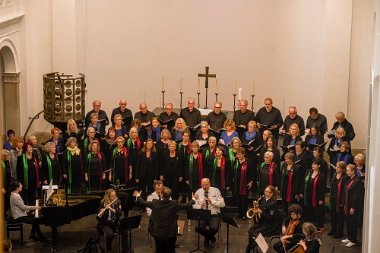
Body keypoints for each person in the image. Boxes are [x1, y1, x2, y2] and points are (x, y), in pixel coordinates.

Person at [134, 186, 195, 253]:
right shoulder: (173, 204)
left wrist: (138, 195)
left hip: (158, 233)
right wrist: (194, 198)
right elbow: (186, 205)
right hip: (170, 234)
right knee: (170, 250)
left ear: (161, 194)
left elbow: (143, 202)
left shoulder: (155, 203)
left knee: (159, 250)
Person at [193, 178, 225, 248]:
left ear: (209, 184)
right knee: (197, 228)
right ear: (201, 185)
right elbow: (193, 205)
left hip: (214, 214)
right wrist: (199, 207)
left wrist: (212, 202)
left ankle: (207, 239)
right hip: (203, 214)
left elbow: (223, 204)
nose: (204, 187)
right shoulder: (198, 192)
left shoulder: (216, 191)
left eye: (206, 185)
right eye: (203, 185)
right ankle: (211, 237)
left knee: (214, 228)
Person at [246, 185, 278, 253]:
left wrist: (261, 212)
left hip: (269, 225)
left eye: (267, 191)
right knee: (250, 230)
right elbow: (259, 209)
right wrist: (256, 212)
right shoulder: (263, 199)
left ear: (271, 193)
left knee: (256, 233)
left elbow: (271, 218)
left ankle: (260, 249)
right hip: (262, 222)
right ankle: (253, 248)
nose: (265, 192)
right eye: (265, 191)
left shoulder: (273, 204)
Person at [342, 164, 364, 248]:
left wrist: (353, 207)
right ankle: (349, 237)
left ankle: (353, 240)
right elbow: (345, 192)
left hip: (352, 206)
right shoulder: (349, 179)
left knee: (352, 223)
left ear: (353, 171)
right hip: (347, 205)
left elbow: (357, 196)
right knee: (348, 222)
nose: (346, 171)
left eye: (348, 170)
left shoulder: (358, 181)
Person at [302, 160, 326, 230]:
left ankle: (319, 226)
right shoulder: (309, 172)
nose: (313, 165)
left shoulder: (322, 175)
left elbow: (322, 188)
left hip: (317, 196)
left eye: (315, 164)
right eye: (312, 164)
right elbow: (304, 183)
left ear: (319, 166)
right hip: (308, 195)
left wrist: (321, 199)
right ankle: (309, 226)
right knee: (309, 210)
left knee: (318, 212)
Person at [96, 189, 122, 253]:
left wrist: (110, 208)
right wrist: (101, 214)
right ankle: (108, 249)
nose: (115, 197)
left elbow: (119, 213)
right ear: (108, 197)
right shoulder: (103, 203)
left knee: (126, 230)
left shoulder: (117, 202)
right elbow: (98, 218)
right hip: (104, 224)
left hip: (114, 223)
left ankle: (125, 249)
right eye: (113, 196)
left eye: (115, 195)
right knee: (110, 234)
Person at [232, 147, 254, 219]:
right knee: (238, 198)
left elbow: (252, 172)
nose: (239, 156)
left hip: (245, 183)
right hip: (236, 183)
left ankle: (244, 214)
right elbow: (233, 170)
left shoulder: (249, 162)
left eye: (240, 154)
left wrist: (251, 182)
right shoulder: (236, 161)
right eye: (238, 154)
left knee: (243, 199)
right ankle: (240, 213)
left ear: (244, 154)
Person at [328, 161, 347, 238]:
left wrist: (342, 201)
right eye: (336, 166)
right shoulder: (335, 174)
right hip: (333, 198)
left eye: (338, 167)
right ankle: (333, 230)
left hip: (340, 199)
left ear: (342, 169)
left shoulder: (345, 177)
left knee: (340, 217)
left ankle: (339, 232)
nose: (336, 168)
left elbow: (344, 191)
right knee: (333, 215)